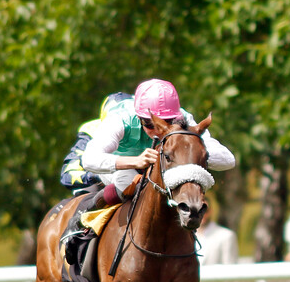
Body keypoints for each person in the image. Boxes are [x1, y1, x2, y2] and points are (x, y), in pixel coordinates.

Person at [65, 79, 236, 259]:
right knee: (128, 180)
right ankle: (84, 213)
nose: (156, 131)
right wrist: (135, 161)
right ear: (139, 117)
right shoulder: (120, 119)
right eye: (149, 124)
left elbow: (228, 160)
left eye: (166, 122)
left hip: (160, 168)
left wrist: (190, 150)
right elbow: (89, 160)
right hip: (117, 167)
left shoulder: (184, 119)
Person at [60, 92, 133, 193]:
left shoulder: (146, 128)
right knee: (83, 191)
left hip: (130, 178)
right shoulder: (90, 131)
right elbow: (67, 176)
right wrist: (97, 176)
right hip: (95, 184)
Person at [195, 198, 238, 265]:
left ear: (211, 211)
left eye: (204, 210)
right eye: (196, 211)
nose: (201, 215)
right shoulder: (185, 238)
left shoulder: (226, 236)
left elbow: (230, 268)